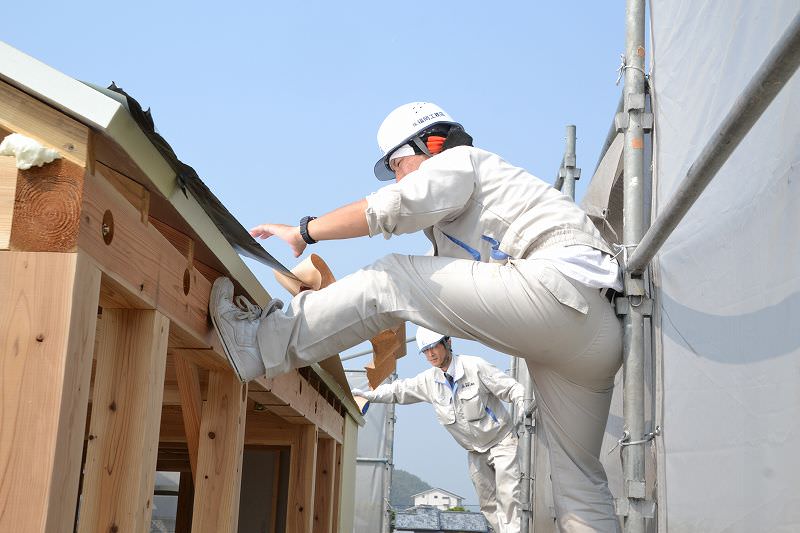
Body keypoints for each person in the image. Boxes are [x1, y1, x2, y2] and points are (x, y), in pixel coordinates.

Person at [210, 102, 623, 532]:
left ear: (431, 144)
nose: (398, 176)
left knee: (390, 276)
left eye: (397, 163)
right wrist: (330, 303)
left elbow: (387, 212)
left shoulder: (461, 161)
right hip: (592, 337)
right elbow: (409, 304)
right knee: (580, 488)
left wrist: (305, 231)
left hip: (558, 288)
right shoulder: (453, 233)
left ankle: (258, 344)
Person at [352, 326, 530, 533]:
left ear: (448, 343)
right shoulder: (430, 381)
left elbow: (511, 388)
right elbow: (399, 390)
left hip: (502, 441)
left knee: (508, 495)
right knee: (487, 503)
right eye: (425, 350)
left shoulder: (475, 367)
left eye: (434, 347)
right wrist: (369, 395)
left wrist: (524, 403)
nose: (430, 354)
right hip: (475, 450)